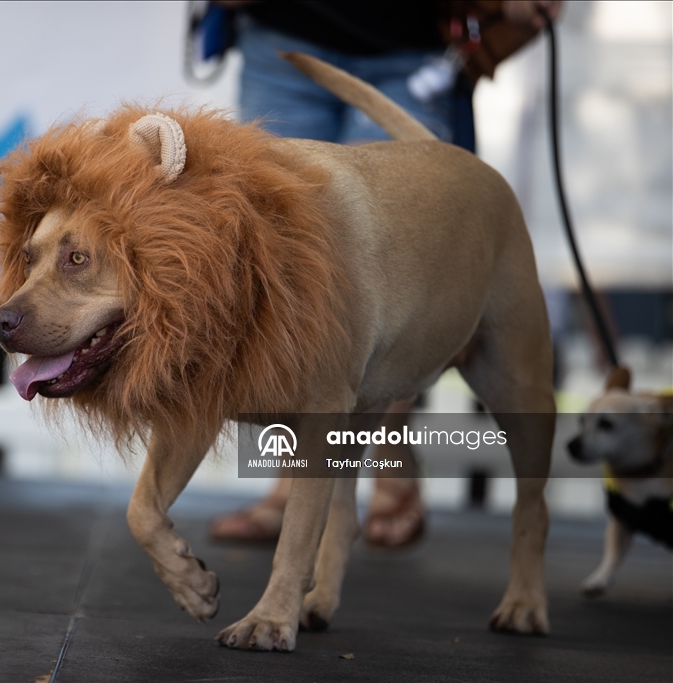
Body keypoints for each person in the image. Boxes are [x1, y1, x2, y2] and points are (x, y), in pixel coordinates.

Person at [207, 0, 562, 546]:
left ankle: (389, 461)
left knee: (402, 274)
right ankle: (291, 485)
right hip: (278, 29)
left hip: (417, 46)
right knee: (281, 287)